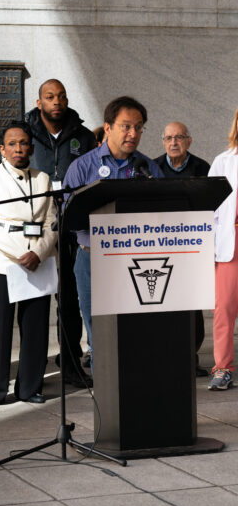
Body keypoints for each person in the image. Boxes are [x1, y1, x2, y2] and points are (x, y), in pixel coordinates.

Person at [63, 96, 163, 364]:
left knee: (135, 328)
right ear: (107, 127)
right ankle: (104, 383)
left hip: (137, 258)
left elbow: (163, 213)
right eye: (126, 126)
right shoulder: (83, 167)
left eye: (139, 127)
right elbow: (67, 215)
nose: (133, 134)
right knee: (99, 330)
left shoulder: (148, 168)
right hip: (91, 257)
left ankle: (136, 381)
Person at [0, 121, 57, 407]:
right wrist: (21, 253)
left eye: (23, 143)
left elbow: (51, 223)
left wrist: (38, 253)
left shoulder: (43, 178)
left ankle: (30, 387)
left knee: (35, 327)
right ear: (2, 149)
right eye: (12, 144)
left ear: (31, 149)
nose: (18, 148)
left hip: (37, 260)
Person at [26, 79, 96, 388]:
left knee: (69, 299)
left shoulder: (83, 136)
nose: (57, 101)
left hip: (71, 227)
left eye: (62, 96)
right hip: (36, 228)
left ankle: (70, 364)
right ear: (39, 102)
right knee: (34, 302)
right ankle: (32, 371)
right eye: (50, 96)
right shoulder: (25, 133)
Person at [155, 122, 210, 377]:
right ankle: (165, 358)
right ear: (163, 142)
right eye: (169, 138)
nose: (174, 142)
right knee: (163, 303)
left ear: (189, 140)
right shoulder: (153, 168)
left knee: (191, 306)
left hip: (192, 246)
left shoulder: (203, 168)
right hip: (161, 245)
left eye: (179, 137)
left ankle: (189, 359)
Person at [207, 108, 238, 391]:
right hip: (231, 244)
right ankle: (222, 368)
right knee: (224, 309)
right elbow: (210, 209)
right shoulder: (223, 161)